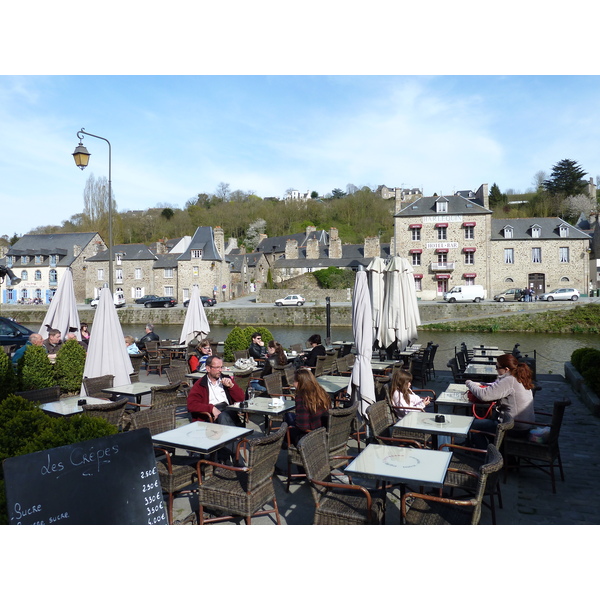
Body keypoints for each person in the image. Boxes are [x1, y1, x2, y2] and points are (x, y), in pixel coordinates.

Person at [465, 353, 536, 448]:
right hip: (525, 425)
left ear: (506, 369)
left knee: (472, 424)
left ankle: (489, 456)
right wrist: (481, 384)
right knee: (487, 422)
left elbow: (484, 395)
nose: (496, 369)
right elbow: (496, 386)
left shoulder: (509, 380)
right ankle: (497, 448)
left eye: (497, 367)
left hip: (512, 427)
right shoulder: (519, 377)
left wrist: (469, 383)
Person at [187, 355, 245, 427]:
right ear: (208, 368)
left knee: (223, 415)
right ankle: (236, 436)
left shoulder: (227, 379)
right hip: (211, 416)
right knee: (222, 416)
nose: (220, 370)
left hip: (228, 410)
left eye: (221, 367)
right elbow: (191, 405)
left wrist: (231, 386)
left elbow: (241, 399)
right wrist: (211, 408)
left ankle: (233, 436)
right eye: (217, 367)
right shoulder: (200, 384)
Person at [284, 368, 331, 447]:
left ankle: (285, 444)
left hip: (309, 437)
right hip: (324, 431)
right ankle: (284, 443)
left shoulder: (302, 398)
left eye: (294, 381)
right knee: (289, 417)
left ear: (300, 383)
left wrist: (295, 422)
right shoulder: (321, 392)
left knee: (287, 419)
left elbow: (303, 426)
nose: (293, 384)